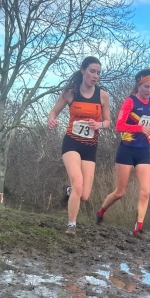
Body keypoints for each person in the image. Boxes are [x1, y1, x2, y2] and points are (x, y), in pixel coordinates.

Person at [95, 68, 150, 236]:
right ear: (139, 84)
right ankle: (101, 212)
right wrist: (140, 128)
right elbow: (119, 126)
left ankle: (138, 227)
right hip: (126, 150)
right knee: (120, 192)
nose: (148, 91)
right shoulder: (130, 102)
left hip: (144, 152)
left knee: (146, 191)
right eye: (146, 87)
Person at [48, 57, 111, 233]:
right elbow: (53, 112)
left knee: (84, 194)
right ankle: (71, 224)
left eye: (98, 73)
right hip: (72, 142)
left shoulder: (103, 95)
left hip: (90, 147)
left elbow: (108, 121)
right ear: (83, 70)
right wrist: (52, 120)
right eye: (92, 71)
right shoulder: (70, 93)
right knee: (78, 183)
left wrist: (99, 125)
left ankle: (69, 191)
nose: (95, 76)